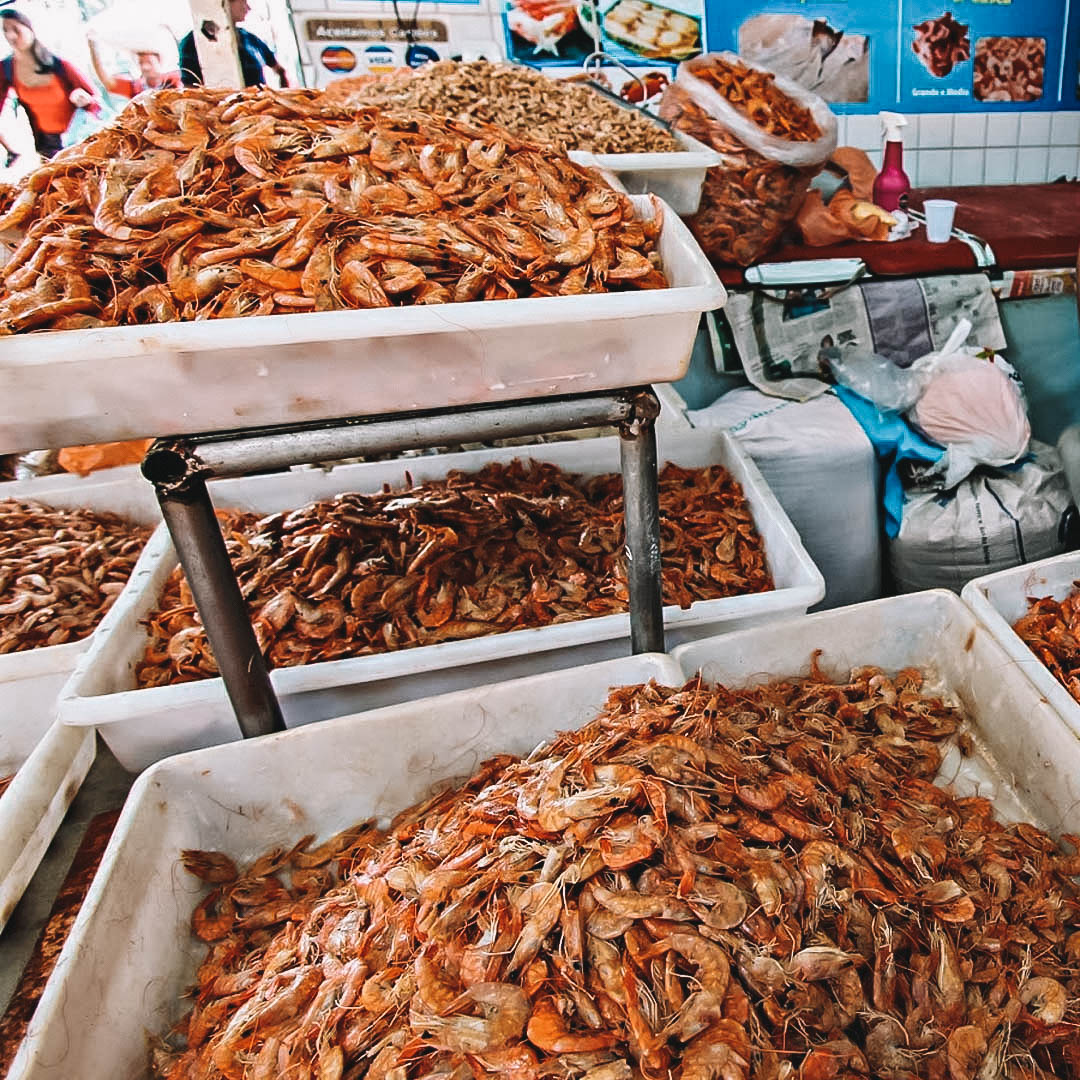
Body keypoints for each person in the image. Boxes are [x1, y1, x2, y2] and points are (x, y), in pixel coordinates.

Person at [0, 9, 100, 159]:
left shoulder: (60, 64)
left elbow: (96, 103)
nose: (11, 36)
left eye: (15, 29)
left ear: (30, 29)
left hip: (80, 140)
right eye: (5, 30)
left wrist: (84, 99)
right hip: (48, 147)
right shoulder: (6, 69)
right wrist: (10, 149)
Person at [178, 0, 289, 89]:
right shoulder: (194, 42)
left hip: (258, 109)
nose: (248, 8)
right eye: (243, 1)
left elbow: (280, 69)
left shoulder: (250, 38)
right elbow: (190, 87)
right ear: (225, 3)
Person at [87, 36, 181, 99]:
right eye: (141, 63)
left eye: (149, 62)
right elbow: (107, 82)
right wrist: (93, 47)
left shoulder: (175, 79)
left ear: (159, 61)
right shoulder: (134, 88)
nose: (145, 67)